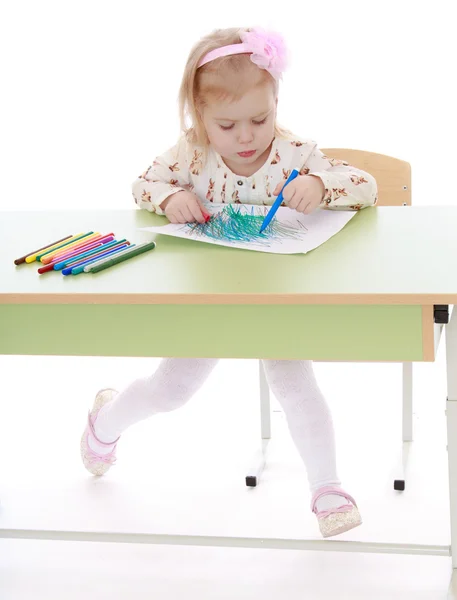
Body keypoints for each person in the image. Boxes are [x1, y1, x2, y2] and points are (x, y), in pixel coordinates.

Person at [80, 27, 377, 538]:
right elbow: (142, 184)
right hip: (209, 298)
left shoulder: (295, 154)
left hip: (277, 299)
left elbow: (365, 186)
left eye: (260, 119)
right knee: (171, 391)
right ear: (199, 118)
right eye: (227, 124)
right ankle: (104, 423)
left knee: (295, 384)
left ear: (277, 103)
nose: (246, 136)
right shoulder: (191, 154)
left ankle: (327, 489)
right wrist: (169, 198)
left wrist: (320, 184)